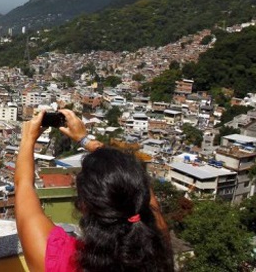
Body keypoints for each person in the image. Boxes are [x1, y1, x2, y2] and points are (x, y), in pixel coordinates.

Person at [14, 110, 174, 272]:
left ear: (83, 205)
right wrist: (86, 141)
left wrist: (28, 139)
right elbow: (135, 178)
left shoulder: (63, 260)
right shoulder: (158, 249)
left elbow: (24, 186)